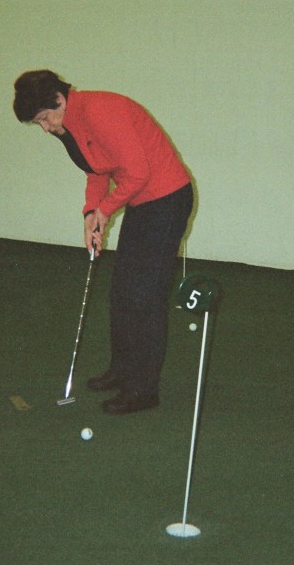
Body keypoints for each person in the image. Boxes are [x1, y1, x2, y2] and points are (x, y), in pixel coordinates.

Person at [12, 70, 194, 415]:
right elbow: (96, 171)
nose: (46, 128)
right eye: (39, 123)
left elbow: (138, 172)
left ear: (59, 99)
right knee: (122, 291)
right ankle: (122, 370)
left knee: (145, 297)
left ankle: (143, 390)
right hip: (142, 201)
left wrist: (105, 210)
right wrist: (90, 213)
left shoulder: (99, 111)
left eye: (45, 118)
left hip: (167, 200)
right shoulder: (70, 124)